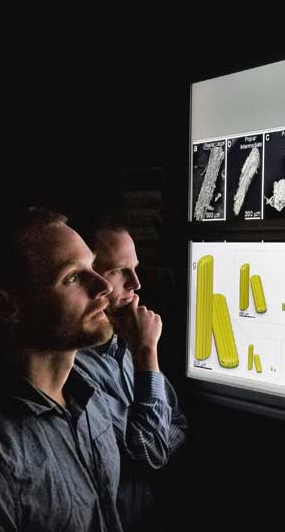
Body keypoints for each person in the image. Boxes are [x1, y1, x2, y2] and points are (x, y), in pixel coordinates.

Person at [0, 207, 125, 532]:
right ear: (6, 306)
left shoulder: (92, 398)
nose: (103, 286)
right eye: (73, 277)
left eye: (92, 266)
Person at [71, 213, 188, 532]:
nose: (136, 285)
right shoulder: (72, 368)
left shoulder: (124, 339)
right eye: (119, 271)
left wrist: (152, 440)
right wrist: (147, 352)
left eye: (134, 268)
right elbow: (153, 451)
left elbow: (177, 423)